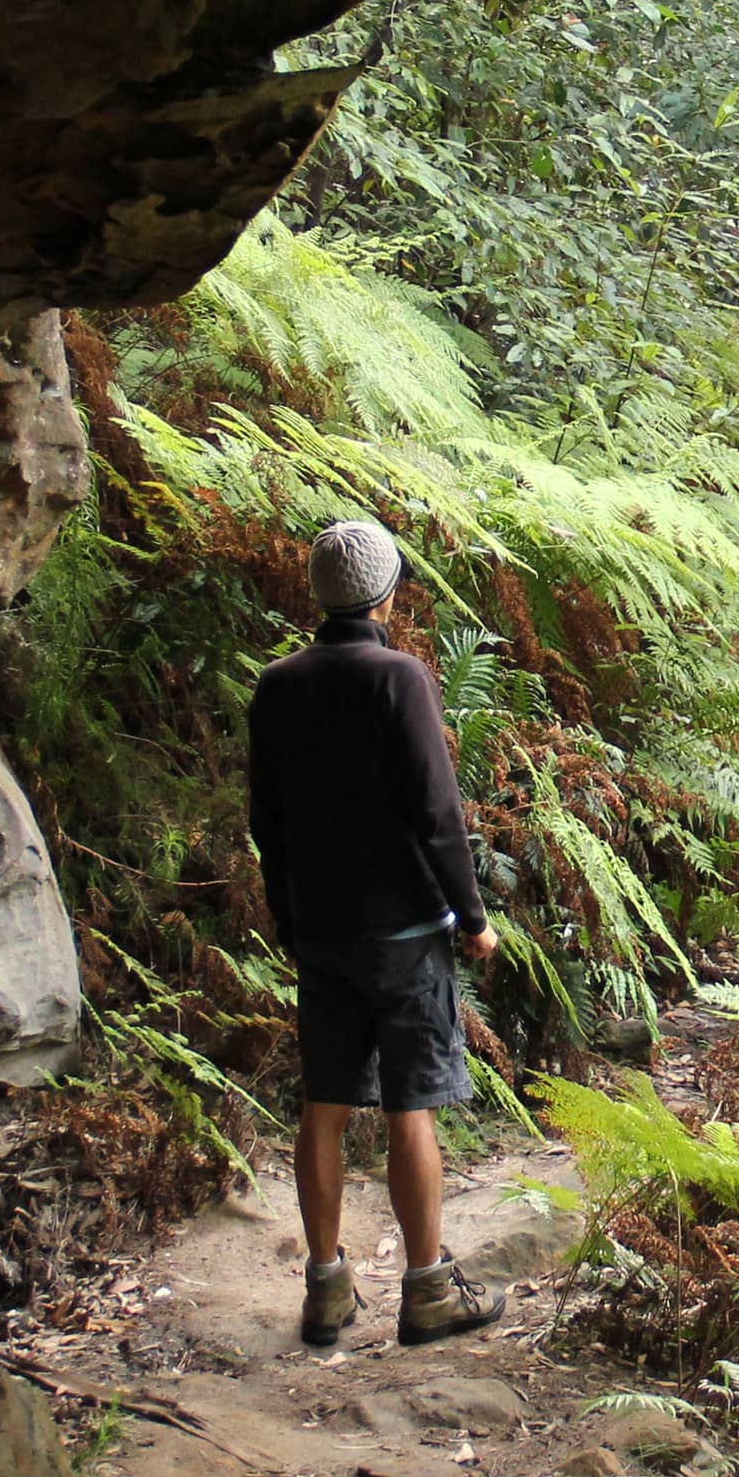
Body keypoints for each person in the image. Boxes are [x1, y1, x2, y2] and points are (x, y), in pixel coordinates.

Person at [247, 518, 509, 1351]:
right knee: (410, 1108)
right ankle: (427, 1291)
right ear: (387, 594)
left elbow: (268, 821)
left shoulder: (276, 685)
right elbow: (437, 812)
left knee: (322, 1106)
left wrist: (289, 917)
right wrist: (472, 917)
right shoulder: (400, 678)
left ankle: (326, 1291)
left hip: (319, 929)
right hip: (403, 930)